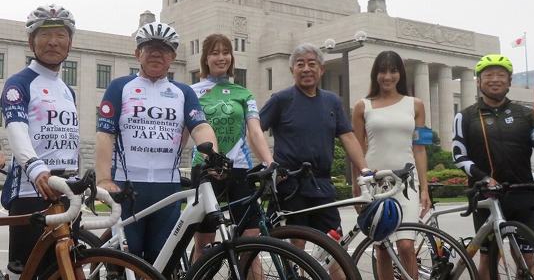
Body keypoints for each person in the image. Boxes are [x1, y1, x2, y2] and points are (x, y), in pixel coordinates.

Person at [95, 21, 218, 263]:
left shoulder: (184, 92)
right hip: (127, 188)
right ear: (137, 53)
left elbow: (200, 127)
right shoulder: (120, 87)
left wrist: (213, 156)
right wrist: (103, 180)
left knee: (161, 261)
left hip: (167, 189)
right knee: (127, 262)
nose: (156, 54)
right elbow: (105, 134)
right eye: (149, 48)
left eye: (163, 49)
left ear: (172, 57)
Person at [451, 54, 534, 280]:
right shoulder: (465, 116)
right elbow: (458, 155)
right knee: (488, 258)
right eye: (489, 75)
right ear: (478, 81)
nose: (495, 79)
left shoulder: (526, 114)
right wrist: (483, 178)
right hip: (486, 195)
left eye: (501, 75)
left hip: (522, 193)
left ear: (509, 81)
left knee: (526, 258)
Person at [259, 43, 369, 240]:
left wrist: (365, 169)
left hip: (322, 183)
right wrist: (269, 164)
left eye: (312, 64)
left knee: (334, 242)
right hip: (290, 184)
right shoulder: (281, 100)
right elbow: (255, 130)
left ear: (321, 69)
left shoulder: (332, 101)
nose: (306, 69)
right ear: (292, 70)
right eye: (300, 64)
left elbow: (348, 137)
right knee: (297, 242)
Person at [0, 4, 80, 274]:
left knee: (63, 269)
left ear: (70, 42)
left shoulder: (67, 90)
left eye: (60, 35)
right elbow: (16, 129)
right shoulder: (19, 83)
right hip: (30, 190)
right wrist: (35, 168)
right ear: (31, 41)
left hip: (64, 191)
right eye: (44, 34)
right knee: (25, 271)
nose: (53, 42)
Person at [189, 33, 273, 260]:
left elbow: (255, 131)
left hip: (239, 167)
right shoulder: (192, 92)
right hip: (206, 169)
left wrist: (269, 162)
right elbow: (184, 131)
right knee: (205, 243)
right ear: (205, 59)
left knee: (251, 239)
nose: (221, 57)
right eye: (215, 53)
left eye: (226, 52)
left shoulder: (244, 93)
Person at [352, 50, 432, 280]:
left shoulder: (415, 105)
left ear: (401, 74)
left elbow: (420, 149)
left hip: (406, 183)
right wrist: (357, 186)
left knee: (406, 245)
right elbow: (357, 149)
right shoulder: (362, 106)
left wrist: (425, 188)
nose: (387, 76)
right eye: (382, 71)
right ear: (375, 74)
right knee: (382, 247)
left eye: (393, 71)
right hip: (376, 182)